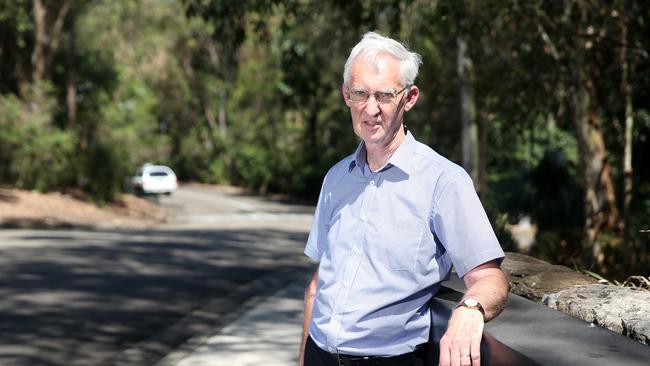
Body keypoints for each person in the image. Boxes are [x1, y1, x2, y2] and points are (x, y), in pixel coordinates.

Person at [299, 32, 509, 366]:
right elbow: (319, 282)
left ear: (408, 98)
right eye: (360, 93)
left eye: (384, 95)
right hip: (318, 354)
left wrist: (470, 310)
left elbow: (490, 279)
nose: (371, 108)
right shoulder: (335, 178)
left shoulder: (444, 182)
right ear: (346, 95)